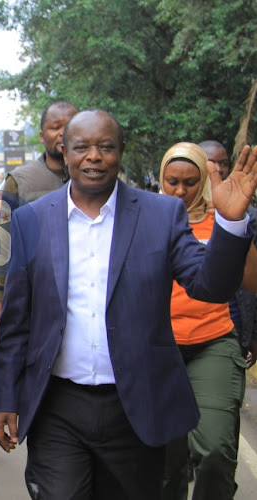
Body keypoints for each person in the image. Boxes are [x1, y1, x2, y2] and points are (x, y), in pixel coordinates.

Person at [0, 109, 257, 500]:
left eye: (106, 147)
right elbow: (17, 320)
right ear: (65, 152)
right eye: (82, 147)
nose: (94, 156)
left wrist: (230, 225)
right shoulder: (32, 219)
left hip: (135, 406)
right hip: (58, 405)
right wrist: (5, 398)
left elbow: (209, 287)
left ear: (122, 153)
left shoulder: (161, 214)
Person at [158, 143, 257, 499]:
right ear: (161, 178)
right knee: (165, 466)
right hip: (159, 348)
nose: (181, 191)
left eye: (190, 182)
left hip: (212, 342)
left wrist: (232, 222)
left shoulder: (222, 218)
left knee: (215, 449)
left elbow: (251, 282)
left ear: (204, 182)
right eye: (172, 182)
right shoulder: (146, 217)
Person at [0, 101, 78, 348]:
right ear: (42, 135)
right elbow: (3, 249)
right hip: (34, 304)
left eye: (69, 126)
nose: (62, 133)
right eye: (55, 127)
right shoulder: (20, 181)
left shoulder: (95, 178)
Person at [200, 140, 257, 361]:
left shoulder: (248, 215)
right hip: (179, 334)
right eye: (211, 162)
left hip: (230, 330)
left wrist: (252, 334)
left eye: (223, 163)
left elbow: (252, 284)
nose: (218, 169)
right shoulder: (170, 211)